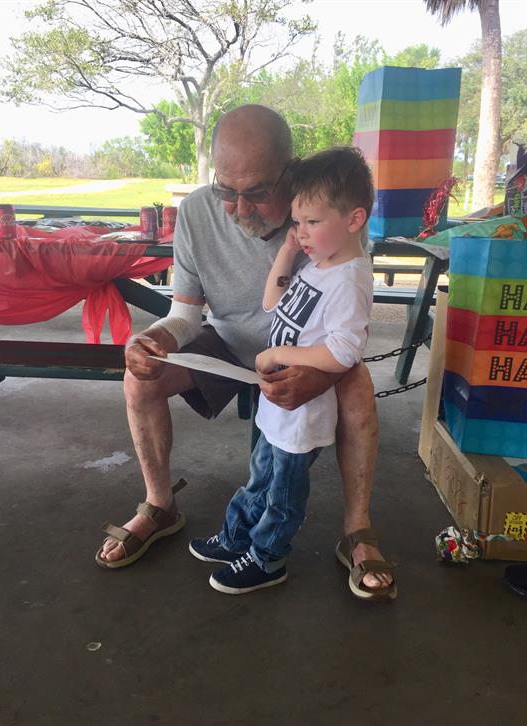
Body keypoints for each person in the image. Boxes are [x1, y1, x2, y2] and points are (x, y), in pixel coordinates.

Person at [95, 104, 394, 600]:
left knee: (356, 388)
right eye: (225, 191)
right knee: (140, 376)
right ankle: (159, 504)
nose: (237, 208)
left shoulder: (325, 209)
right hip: (232, 344)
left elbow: (348, 323)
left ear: (289, 173)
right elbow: (187, 314)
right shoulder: (195, 212)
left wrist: (316, 375)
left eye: (256, 192)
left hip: (306, 352)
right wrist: (157, 341)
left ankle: (357, 531)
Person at [188, 147, 395, 598]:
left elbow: (344, 350)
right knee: (258, 478)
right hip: (278, 408)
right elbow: (272, 304)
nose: (301, 233)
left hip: (303, 416)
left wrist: (278, 353)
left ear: (354, 219)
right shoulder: (319, 264)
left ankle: (267, 559)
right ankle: (236, 535)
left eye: (312, 223)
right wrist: (286, 253)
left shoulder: (349, 279)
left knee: (282, 494)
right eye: (297, 223)